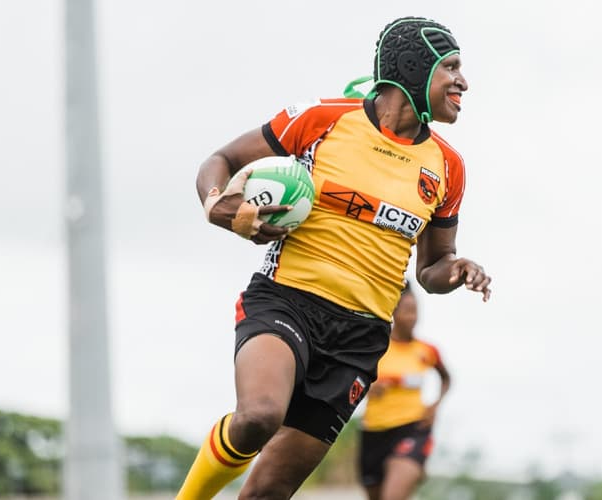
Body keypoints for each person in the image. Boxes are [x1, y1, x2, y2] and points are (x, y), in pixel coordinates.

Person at [176, 15, 492, 500]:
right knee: (259, 416)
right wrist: (220, 204)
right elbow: (220, 161)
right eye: (451, 67)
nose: (463, 81)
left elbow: (431, 268)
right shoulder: (323, 119)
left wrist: (457, 269)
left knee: (268, 491)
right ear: (414, 67)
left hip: (360, 338)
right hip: (286, 301)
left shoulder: (448, 166)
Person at [358, 282, 451, 500]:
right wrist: (369, 387)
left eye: (416, 311)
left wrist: (435, 405)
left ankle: (413, 463)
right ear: (393, 312)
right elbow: (353, 381)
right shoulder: (375, 348)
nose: (412, 317)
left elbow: (446, 379)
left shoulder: (427, 351)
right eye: (407, 311)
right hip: (374, 430)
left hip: (413, 427)